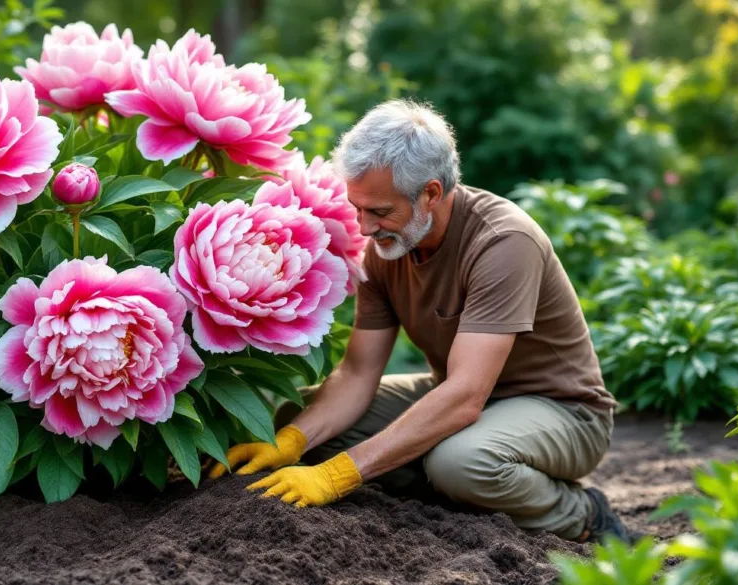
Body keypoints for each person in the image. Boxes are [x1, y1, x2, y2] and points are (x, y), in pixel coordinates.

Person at [210, 99, 633, 544]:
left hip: (562, 411)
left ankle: (580, 512)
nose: (364, 228)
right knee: (303, 417)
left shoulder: (503, 243)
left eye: (379, 212)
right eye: (357, 208)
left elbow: (466, 394)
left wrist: (339, 475)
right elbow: (358, 372)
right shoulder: (388, 248)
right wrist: (294, 438)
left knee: (461, 463)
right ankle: (461, 490)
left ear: (431, 193)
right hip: (460, 393)